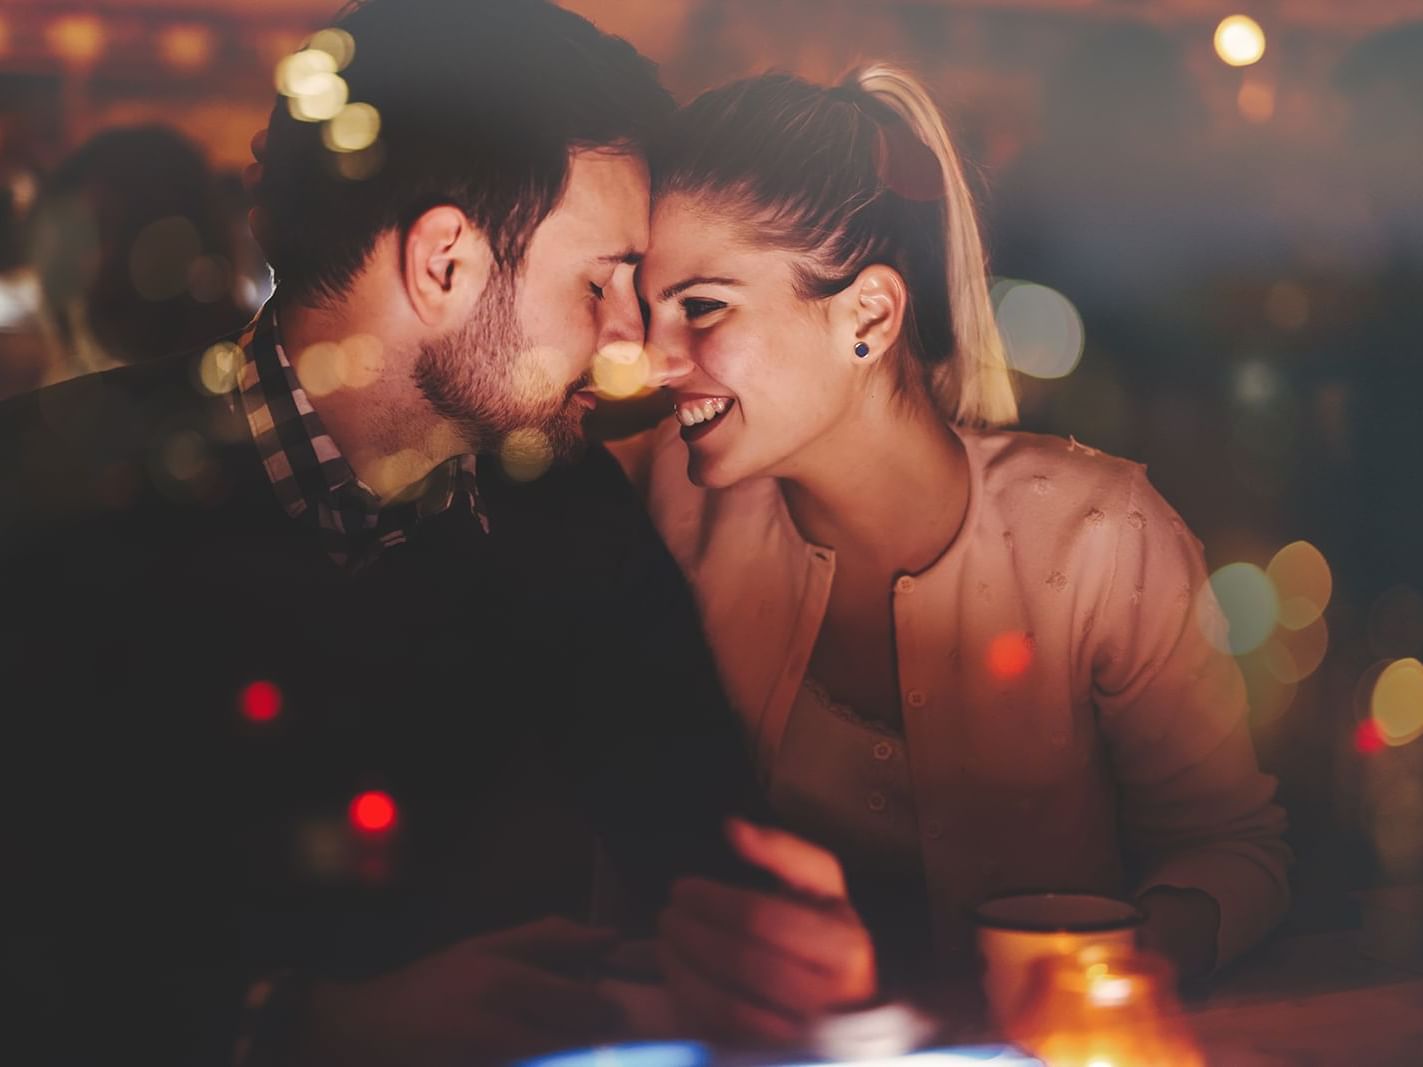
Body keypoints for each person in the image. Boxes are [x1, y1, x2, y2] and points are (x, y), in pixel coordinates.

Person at [0, 3, 777, 1064]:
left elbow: (695, 827)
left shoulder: (566, 506)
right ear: (444, 264)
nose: (630, 335)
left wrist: (769, 941)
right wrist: (299, 1027)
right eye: (600, 281)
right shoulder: (45, 498)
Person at [618, 66, 1291, 1040]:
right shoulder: (661, 508)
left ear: (869, 317)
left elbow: (1231, 848)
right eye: (646, 309)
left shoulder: (1102, 536)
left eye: (704, 307)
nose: (655, 355)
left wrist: (1105, 976)